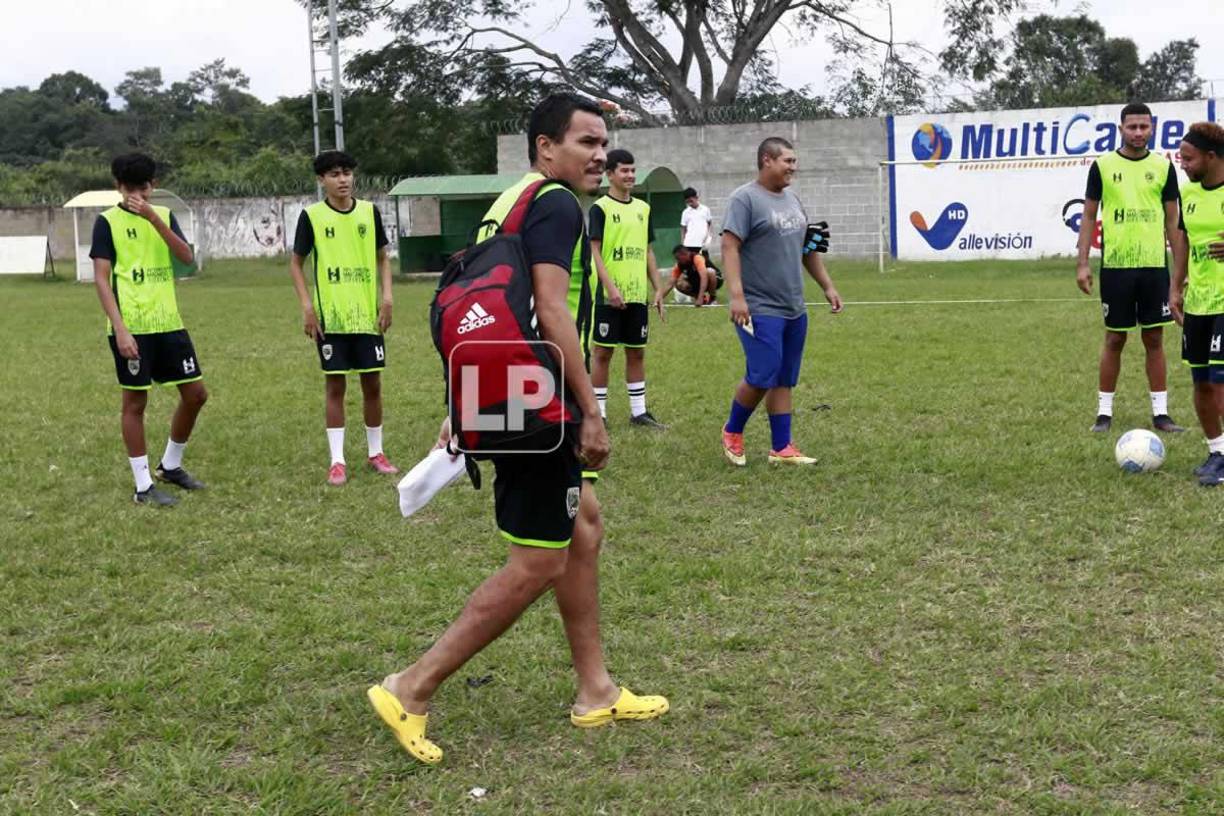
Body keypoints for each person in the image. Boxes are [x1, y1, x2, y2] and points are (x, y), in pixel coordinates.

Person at [366, 93, 668, 766]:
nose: (599, 155)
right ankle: (411, 687)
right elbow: (552, 312)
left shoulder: (509, 202)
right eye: (586, 142)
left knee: (583, 527)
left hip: (503, 388)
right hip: (540, 401)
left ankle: (596, 689)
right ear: (545, 147)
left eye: (603, 143)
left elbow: (483, 306)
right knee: (538, 562)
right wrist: (591, 410)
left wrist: (466, 401)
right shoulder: (558, 204)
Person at [90, 153, 207, 506]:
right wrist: (121, 330)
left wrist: (153, 218)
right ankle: (143, 487)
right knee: (135, 403)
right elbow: (101, 279)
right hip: (133, 327)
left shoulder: (165, 216)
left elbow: (187, 259)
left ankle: (170, 465)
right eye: (130, 189)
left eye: (143, 188)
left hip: (169, 323)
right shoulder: (107, 222)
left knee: (196, 395)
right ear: (118, 187)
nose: (137, 196)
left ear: (153, 186)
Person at [720, 137, 843, 467]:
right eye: (787, 161)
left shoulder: (792, 200)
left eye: (794, 161)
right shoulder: (745, 199)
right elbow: (729, 246)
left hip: (793, 306)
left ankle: (781, 447)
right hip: (758, 306)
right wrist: (737, 296)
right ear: (767, 160)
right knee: (763, 373)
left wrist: (827, 286)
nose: (793, 167)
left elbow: (807, 248)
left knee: (784, 377)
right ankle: (732, 430)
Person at [1076, 102, 1187, 434]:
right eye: (1132, 127)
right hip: (1117, 268)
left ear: (1152, 129)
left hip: (1154, 268)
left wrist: (1180, 272)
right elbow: (1089, 215)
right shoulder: (1103, 166)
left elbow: (1173, 222)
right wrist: (1083, 263)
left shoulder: (1164, 167)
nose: (1138, 132)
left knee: (1154, 338)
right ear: (1121, 129)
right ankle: (1104, 414)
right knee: (1114, 339)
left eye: (1144, 126)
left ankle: (1161, 414)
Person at [289, 150, 398, 486]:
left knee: (372, 384)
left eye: (347, 173)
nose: (343, 180)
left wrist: (387, 298)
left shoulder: (369, 212)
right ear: (321, 180)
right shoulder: (312, 216)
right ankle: (337, 461)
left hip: (366, 317)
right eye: (335, 174)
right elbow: (296, 263)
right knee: (335, 385)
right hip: (331, 319)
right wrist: (308, 307)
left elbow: (382, 258)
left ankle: (376, 453)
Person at [590, 148, 666, 427]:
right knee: (603, 352)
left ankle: (639, 413)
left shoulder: (643, 209)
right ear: (610, 174)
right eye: (624, 170)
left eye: (633, 170)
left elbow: (647, 251)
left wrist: (657, 289)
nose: (630, 175)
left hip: (636, 294)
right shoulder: (600, 208)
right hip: (608, 295)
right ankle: (599, 414)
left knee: (636, 352)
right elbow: (594, 251)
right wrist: (610, 288)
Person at [1170, 122, 1224, 486]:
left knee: (1221, 382)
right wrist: (1175, 288)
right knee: (1201, 382)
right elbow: (1184, 242)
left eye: (1188, 159)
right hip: (1199, 302)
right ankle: (1217, 452)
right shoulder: (1188, 193)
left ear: (1211, 156)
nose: (1184, 165)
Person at [680, 186, 713, 252]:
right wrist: (683, 243)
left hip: (702, 244)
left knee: (703, 259)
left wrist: (708, 238)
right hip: (689, 244)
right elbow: (683, 229)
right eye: (687, 202)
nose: (690, 204)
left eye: (691, 201)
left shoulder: (705, 210)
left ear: (696, 197)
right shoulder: (685, 212)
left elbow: (709, 224)